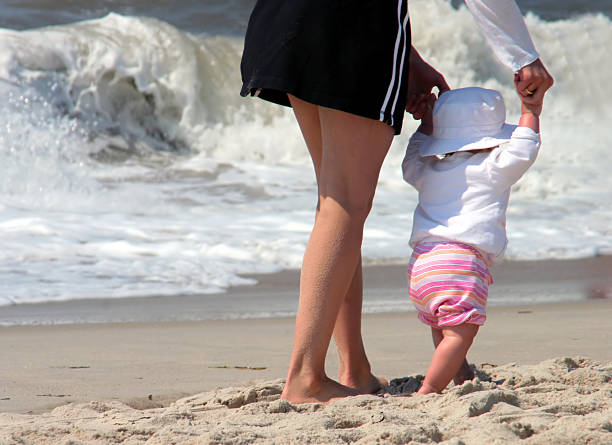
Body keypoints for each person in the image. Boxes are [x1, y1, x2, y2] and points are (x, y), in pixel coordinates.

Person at [239, 0, 553, 404]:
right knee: (345, 207)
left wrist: (406, 54)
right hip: (351, 25)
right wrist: (523, 57)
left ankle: (353, 370)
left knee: (334, 202)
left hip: (284, 16)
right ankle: (304, 378)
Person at [401, 84, 544, 394]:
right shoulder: (493, 167)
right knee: (458, 334)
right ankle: (429, 390)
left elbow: (410, 162)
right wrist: (530, 110)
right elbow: (524, 147)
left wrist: (426, 123)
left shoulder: (430, 169)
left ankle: (460, 373)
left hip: (422, 264)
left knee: (444, 324)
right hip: (460, 263)